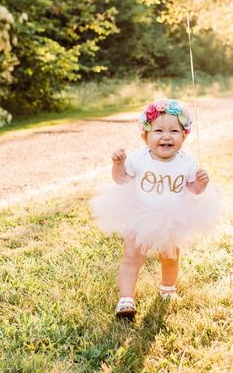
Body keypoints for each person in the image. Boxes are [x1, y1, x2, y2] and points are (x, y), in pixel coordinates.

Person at [91, 97, 220, 319]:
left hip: (172, 218)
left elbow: (193, 190)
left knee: (170, 257)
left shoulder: (186, 161)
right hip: (140, 214)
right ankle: (126, 299)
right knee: (132, 257)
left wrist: (201, 183)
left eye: (174, 131)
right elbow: (121, 179)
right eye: (158, 130)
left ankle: (167, 289)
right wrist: (117, 165)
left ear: (184, 135)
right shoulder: (139, 158)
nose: (166, 136)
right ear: (145, 135)